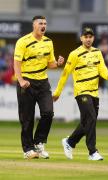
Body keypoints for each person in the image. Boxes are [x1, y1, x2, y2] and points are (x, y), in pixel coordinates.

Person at [53, 27, 108, 160]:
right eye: (85, 37)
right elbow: (65, 74)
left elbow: (102, 68)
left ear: (93, 38)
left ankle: (70, 142)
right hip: (81, 91)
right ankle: (93, 152)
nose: (88, 39)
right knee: (91, 118)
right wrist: (57, 92)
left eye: (90, 37)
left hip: (94, 93)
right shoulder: (74, 54)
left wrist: (107, 75)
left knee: (87, 122)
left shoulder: (97, 52)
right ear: (81, 38)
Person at [14, 15, 64, 159]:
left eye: (45, 23)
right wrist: (21, 80)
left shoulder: (49, 42)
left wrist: (58, 63)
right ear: (34, 25)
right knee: (27, 118)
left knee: (48, 113)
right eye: (41, 23)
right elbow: (16, 63)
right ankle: (28, 149)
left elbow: (50, 63)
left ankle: (39, 143)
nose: (44, 26)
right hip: (27, 82)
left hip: (42, 82)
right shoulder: (23, 42)